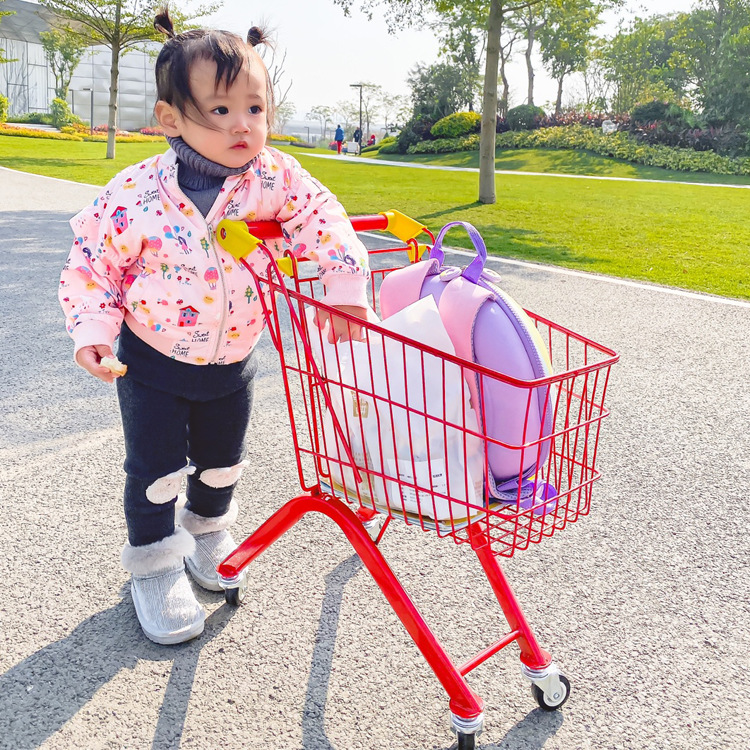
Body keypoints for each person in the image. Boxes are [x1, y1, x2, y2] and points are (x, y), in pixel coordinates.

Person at [59, 9, 371, 646]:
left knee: (222, 462)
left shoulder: (274, 179)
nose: (244, 126)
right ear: (171, 119)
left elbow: (325, 220)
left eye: (255, 109)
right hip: (152, 363)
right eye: (221, 111)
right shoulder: (136, 193)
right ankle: (153, 562)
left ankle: (207, 532)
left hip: (235, 361)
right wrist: (92, 329)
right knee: (157, 468)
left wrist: (344, 285)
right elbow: (93, 263)